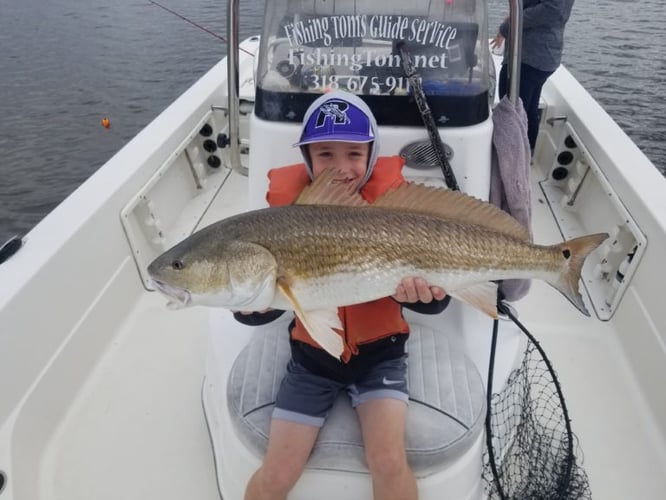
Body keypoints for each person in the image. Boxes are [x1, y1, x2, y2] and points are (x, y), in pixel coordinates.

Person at [235, 90, 451, 500]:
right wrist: (248, 306)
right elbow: (263, 306)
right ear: (308, 160)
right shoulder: (285, 220)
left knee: (388, 461)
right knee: (277, 471)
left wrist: (425, 297)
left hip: (381, 356)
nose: (341, 168)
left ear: (372, 154)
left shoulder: (398, 214)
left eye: (354, 154)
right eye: (325, 155)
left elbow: (439, 298)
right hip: (312, 363)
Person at [492, 0, 576, 152]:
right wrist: (509, 23)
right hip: (538, 55)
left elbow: (552, 9)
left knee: (511, 110)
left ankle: (513, 161)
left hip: (531, 57)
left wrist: (507, 26)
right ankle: (526, 156)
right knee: (527, 109)